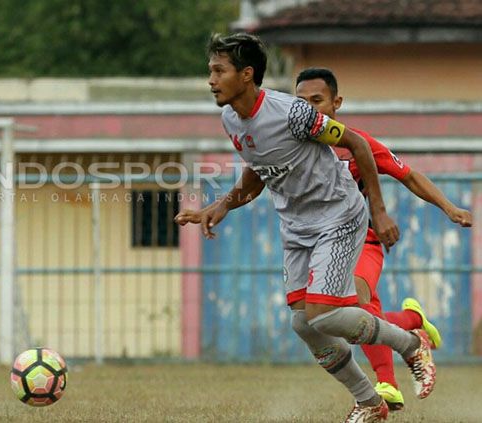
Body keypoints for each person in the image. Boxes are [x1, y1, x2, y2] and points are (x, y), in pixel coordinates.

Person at [174, 33, 435, 423]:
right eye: (210, 71)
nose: (210, 80)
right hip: (296, 225)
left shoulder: (293, 113)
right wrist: (222, 205)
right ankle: (370, 402)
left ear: (246, 75)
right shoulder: (230, 118)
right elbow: (258, 171)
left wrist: (378, 212)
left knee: (326, 314)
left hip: (339, 214)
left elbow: (358, 145)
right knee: (304, 323)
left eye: (218, 71)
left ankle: (411, 343)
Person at [295, 67, 473, 410]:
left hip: (362, 241)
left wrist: (450, 208)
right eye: (301, 102)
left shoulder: (355, 143)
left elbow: (408, 175)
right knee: (329, 318)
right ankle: (411, 323)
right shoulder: (291, 146)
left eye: (317, 100)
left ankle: (387, 385)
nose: (310, 109)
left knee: (358, 304)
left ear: (336, 103)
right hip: (316, 245)